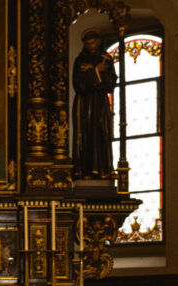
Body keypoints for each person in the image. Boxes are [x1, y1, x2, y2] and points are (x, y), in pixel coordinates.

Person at [72, 29, 117, 179]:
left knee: (102, 133)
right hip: (85, 104)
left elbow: (110, 83)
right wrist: (96, 72)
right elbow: (79, 84)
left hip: (100, 102)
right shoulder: (80, 61)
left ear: (99, 43)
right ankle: (85, 169)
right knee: (86, 134)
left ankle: (104, 168)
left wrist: (93, 74)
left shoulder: (107, 59)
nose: (91, 46)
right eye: (88, 43)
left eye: (94, 42)